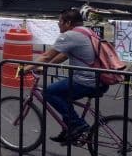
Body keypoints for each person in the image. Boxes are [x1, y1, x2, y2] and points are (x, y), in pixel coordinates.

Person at [19, 8, 107, 144]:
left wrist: (24, 69)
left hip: (86, 81)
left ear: (68, 22)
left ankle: (77, 124)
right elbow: (64, 55)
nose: (58, 24)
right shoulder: (87, 32)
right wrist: (45, 67)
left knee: (50, 92)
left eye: (60, 21)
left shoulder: (70, 35)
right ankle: (69, 131)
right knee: (63, 95)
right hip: (99, 80)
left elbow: (46, 56)